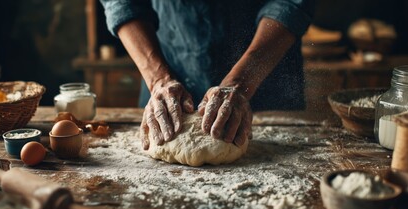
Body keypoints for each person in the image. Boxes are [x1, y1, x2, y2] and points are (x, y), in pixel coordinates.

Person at [100, 0, 314, 150]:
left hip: (266, 68)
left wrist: (242, 80)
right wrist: (158, 80)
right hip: (170, 54)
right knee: (165, 131)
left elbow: (290, 2)